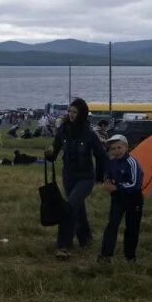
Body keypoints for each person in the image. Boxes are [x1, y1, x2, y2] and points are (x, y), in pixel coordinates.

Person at [45, 98, 108, 260]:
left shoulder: (89, 134)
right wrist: (49, 153)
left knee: (70, 208)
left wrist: (104, 177)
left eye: (75, 112)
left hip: (85, 178)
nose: (71, 115)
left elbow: (101, 156)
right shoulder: (63, 130)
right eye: (70, 111)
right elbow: (54, 153)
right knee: (78, 208)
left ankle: (63, 246)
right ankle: (85, 239)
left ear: (82, 114)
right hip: (68, 177)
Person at [98, 135, 144, 263]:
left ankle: (130, 257)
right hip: (118, 198)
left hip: (133, 198)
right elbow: (109, 176)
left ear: (126, 148)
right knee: (112, 224)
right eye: (113, 148)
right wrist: (107, 182)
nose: (116, 151)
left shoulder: (132, 162)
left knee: (132, 227)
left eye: (119, 147)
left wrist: (116, 187)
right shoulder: (111, 163)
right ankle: (106, 255)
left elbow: (135, 183)